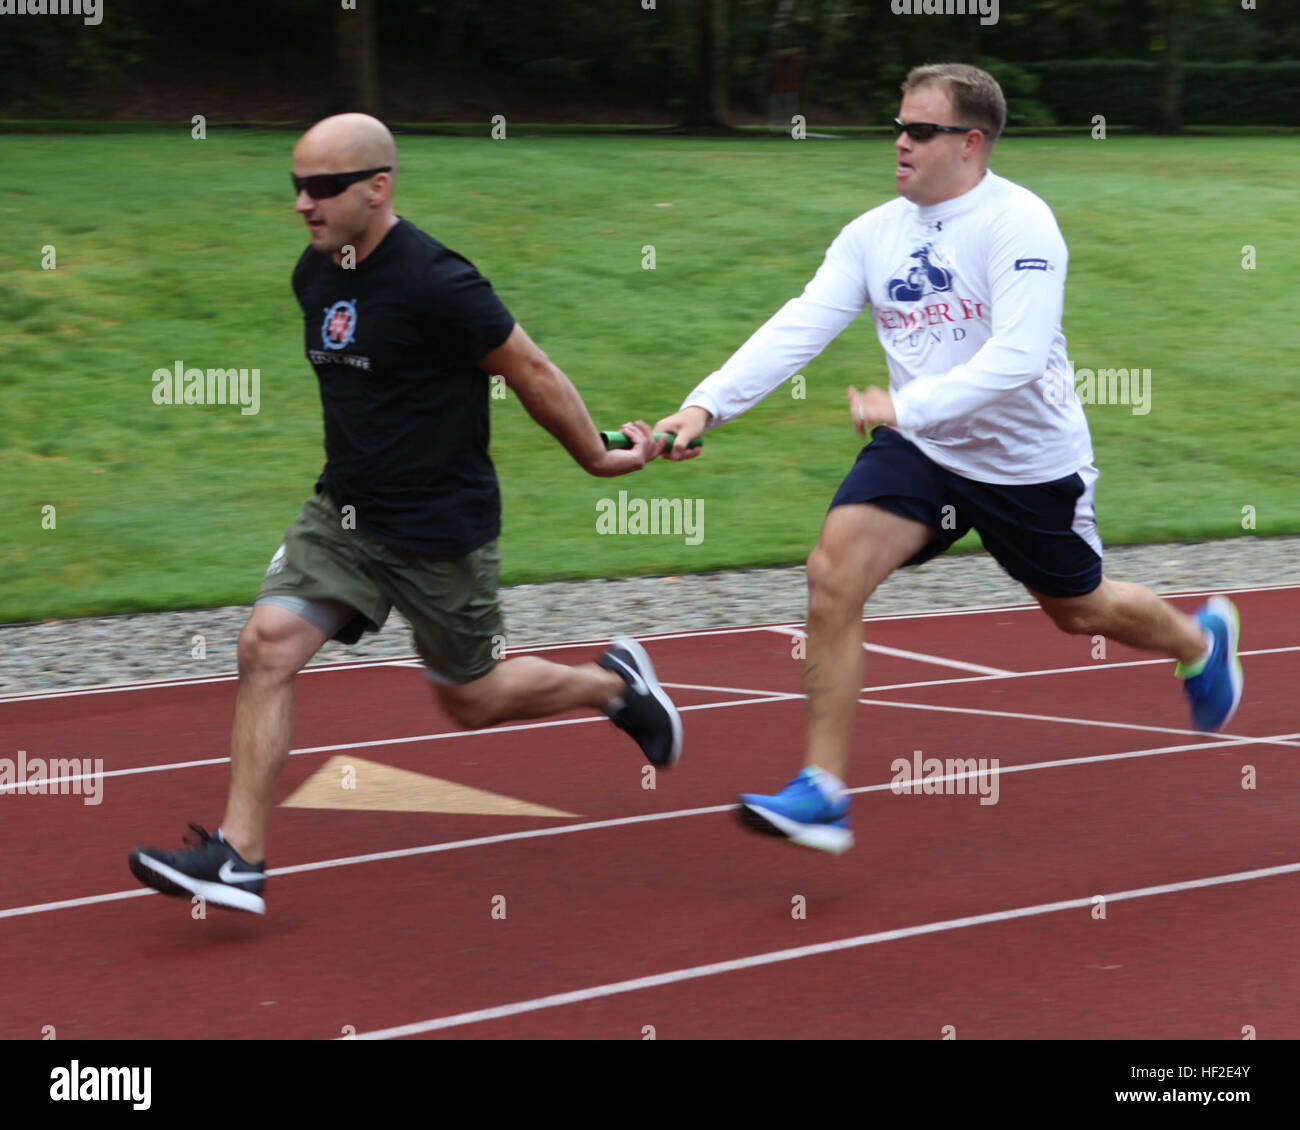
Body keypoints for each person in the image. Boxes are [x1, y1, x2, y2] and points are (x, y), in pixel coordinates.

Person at [654, 64, 1243, 855]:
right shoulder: (872, 233)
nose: (900, 142)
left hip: (1023, 461)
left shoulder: (1020, 224)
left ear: (971, 143)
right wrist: (704, 407)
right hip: (923, 450)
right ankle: (823, 791)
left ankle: (1200, 643)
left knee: (1079, 611)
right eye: (898, 125)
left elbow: (1021, 357)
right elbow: (800, 324)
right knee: (833, 570)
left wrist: (907, 404)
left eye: (920, 130)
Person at [129, 113, 680, 913]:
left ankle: (611, 688)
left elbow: (529, 366)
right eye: (296, 188)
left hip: (438, 530)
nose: (303, 205)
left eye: (322, 188)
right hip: (342, 516)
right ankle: (238, 855)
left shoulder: (437, 281)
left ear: (378, 188)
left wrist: (597, 454)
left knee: (471, 701)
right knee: (265, 644)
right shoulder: (313, 276)